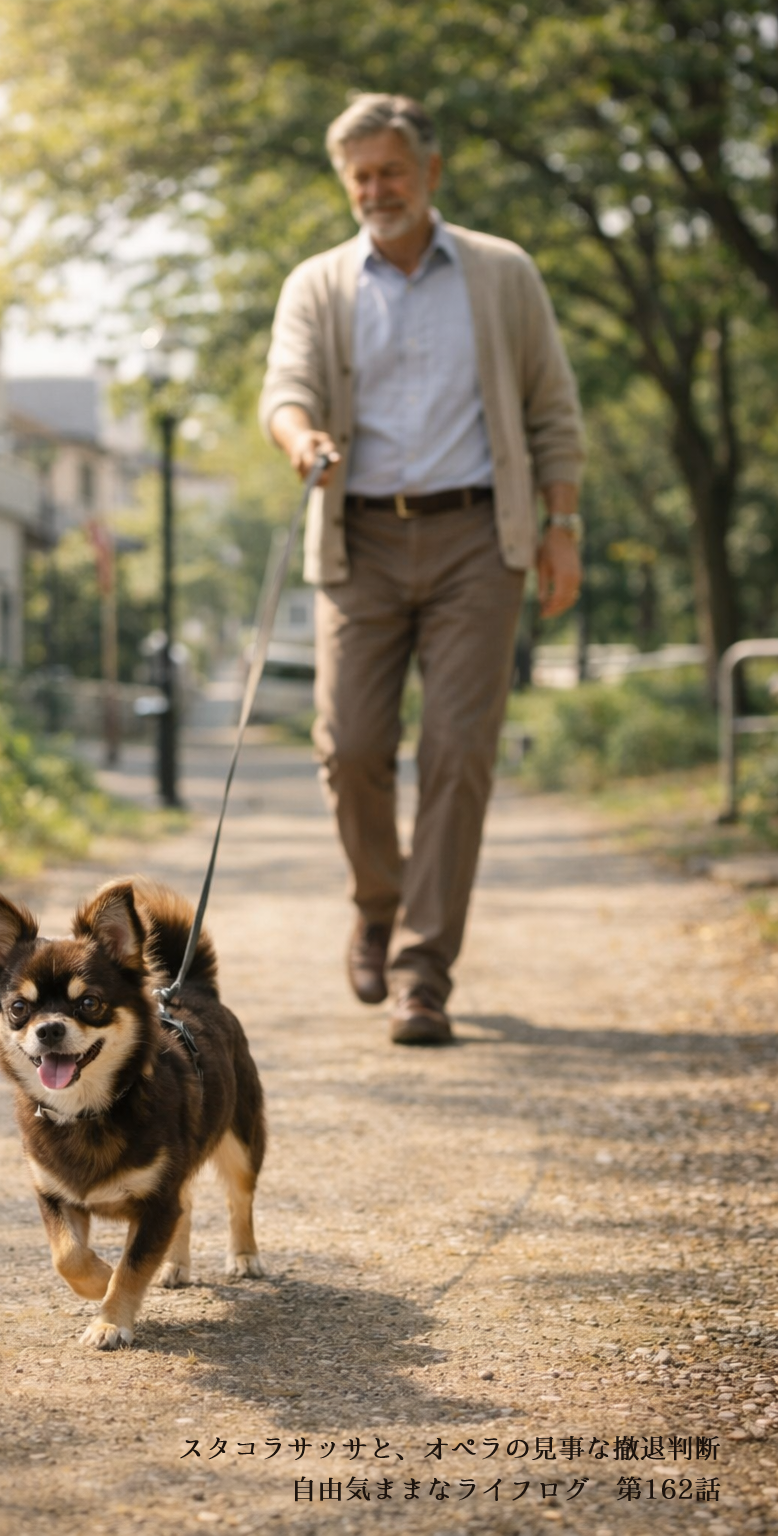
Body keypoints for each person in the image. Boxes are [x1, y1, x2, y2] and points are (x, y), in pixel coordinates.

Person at [259, 93, 584, 1046]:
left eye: (390, 171)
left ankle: (422, 968)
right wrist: (299, 437)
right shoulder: (317, 284)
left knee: (456, 751)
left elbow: (553, 411)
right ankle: (378, 900)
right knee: (352, 745)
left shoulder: (501, 273)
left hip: (478, 542)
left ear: (430, 172)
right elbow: (284, 390)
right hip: (356, 540)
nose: (375, 191)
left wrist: (560, 526)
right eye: (359, 176)